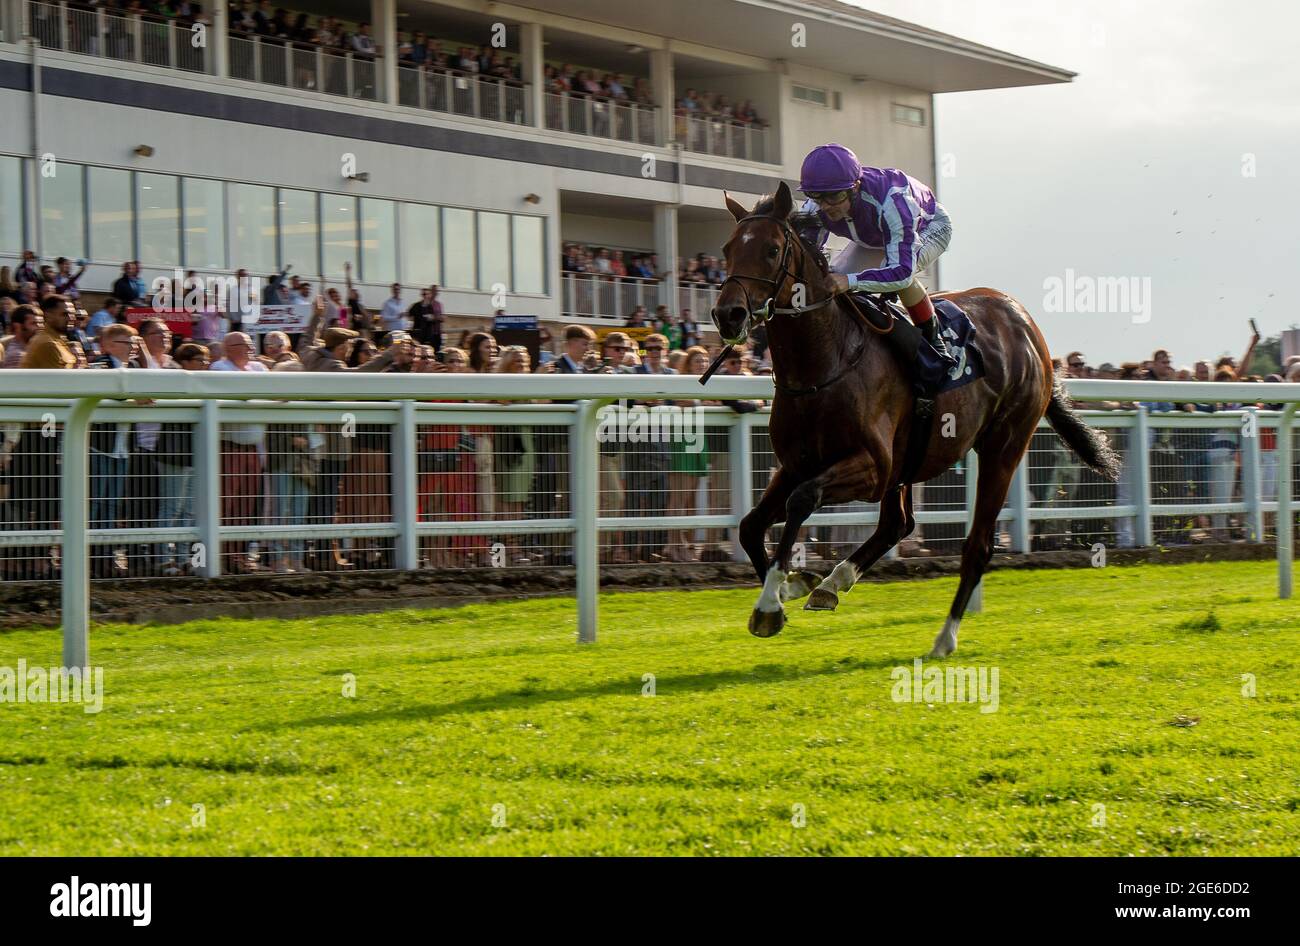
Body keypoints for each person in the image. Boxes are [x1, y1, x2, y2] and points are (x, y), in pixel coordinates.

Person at [796, 142, 955, 363]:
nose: (825, 206)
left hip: (929, 227)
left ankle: (934, 344)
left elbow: (901, 272)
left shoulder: (892, 202)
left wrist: (850, 281)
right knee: (835, 276)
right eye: (817, 196)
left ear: (855, 187)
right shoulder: (815, 206)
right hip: (874, 237)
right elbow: (803, 259)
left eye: (834, 197)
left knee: (892, 277)